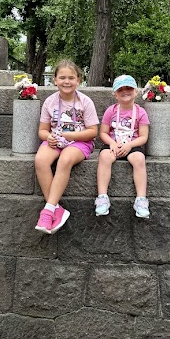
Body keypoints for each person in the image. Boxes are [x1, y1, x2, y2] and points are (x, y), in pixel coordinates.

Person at [34, 60, 99, 234]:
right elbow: (42, 130)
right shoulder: (50, 102)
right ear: (54, 80)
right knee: (40, 160)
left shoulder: (85, 102)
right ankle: (55, 209)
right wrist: (49, 137)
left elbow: (93, 131)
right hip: (56, 140)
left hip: (79, 142)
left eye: (71, 77)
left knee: (65, 159)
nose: (66, 81)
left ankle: (47, 211)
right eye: (62, 77)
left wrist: (70, 136)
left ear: (78, 80)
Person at [95, 74, 150, 220]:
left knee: (139, 159)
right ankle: (102, 196)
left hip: (133, 144)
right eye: (121, 90)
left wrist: (130, 145)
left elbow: (144, 137)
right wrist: (112, 143)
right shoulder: (110, 111)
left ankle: (141, 199)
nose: (125, 92)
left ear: (136, 91)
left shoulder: (141, 112)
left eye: (129, 88)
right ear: (115, 94)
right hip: (113, 144)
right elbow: (103, 133)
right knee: (104, 156)